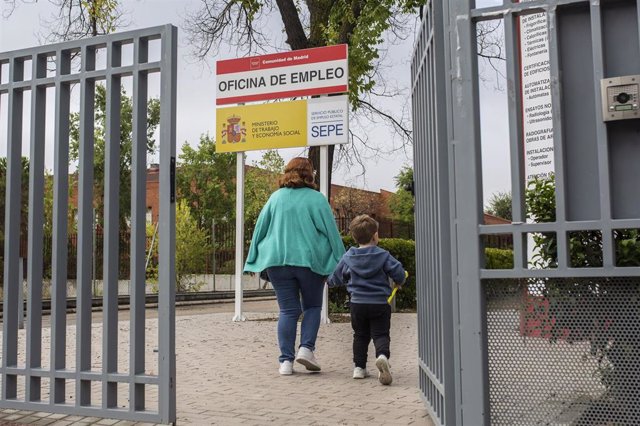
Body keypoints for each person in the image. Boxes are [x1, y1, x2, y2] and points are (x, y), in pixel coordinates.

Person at [244, 157, 345, 376]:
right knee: (312, 307)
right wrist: (343, 260)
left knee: (288, 311)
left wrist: (251, 259)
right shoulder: (316, 199)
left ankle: (285, 363)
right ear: (310, 174)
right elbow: (331, 232)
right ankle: (306, 349)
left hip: (277, 261)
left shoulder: (275, 198)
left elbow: (259, 228)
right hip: (310, 262)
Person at [327, 214, 406, 385]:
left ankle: (359, 368)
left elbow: (336, 277)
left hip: (357, 304)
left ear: (354, 237)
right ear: (375, 235)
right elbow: (398, 270)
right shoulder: (383, 255)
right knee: (381, 334)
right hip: (379, 303)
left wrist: (330, 282)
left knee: (360, 335)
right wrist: (399, 281)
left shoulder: (349, 257)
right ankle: (382, 356)